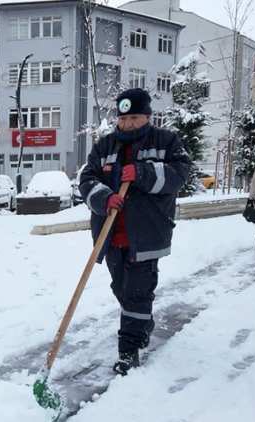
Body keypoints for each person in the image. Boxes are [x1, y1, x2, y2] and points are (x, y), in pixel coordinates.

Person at [79, 88, 192, 376]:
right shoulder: (105, 146)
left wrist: (142, 174)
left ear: (148, 116)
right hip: (110, 234)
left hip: (146, 234)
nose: (127, 124)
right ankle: (141, 323)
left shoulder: (166, 141)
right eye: (123, 118)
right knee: (121, 289)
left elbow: (180, 174)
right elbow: (87, 178)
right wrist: (104, 197)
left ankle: (129, 349)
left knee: (137, 293)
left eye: (134, 118)